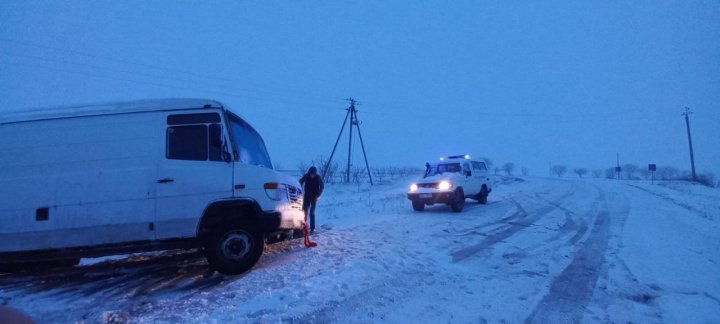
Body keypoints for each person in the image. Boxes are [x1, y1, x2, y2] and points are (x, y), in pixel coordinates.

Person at [299, 166, 324, 232]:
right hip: (306, 196)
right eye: (311, 174)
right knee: (304, 211)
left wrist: (318, 194)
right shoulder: (306, 176)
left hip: (314, 197)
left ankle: (312, 228)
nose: (312, 175)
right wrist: (299, 188)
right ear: (309, 173)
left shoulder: (318, 178)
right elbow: (300, 181)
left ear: (315, 174)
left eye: (314, 174)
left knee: (312, 212)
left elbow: (322, 186)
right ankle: (303, 226)